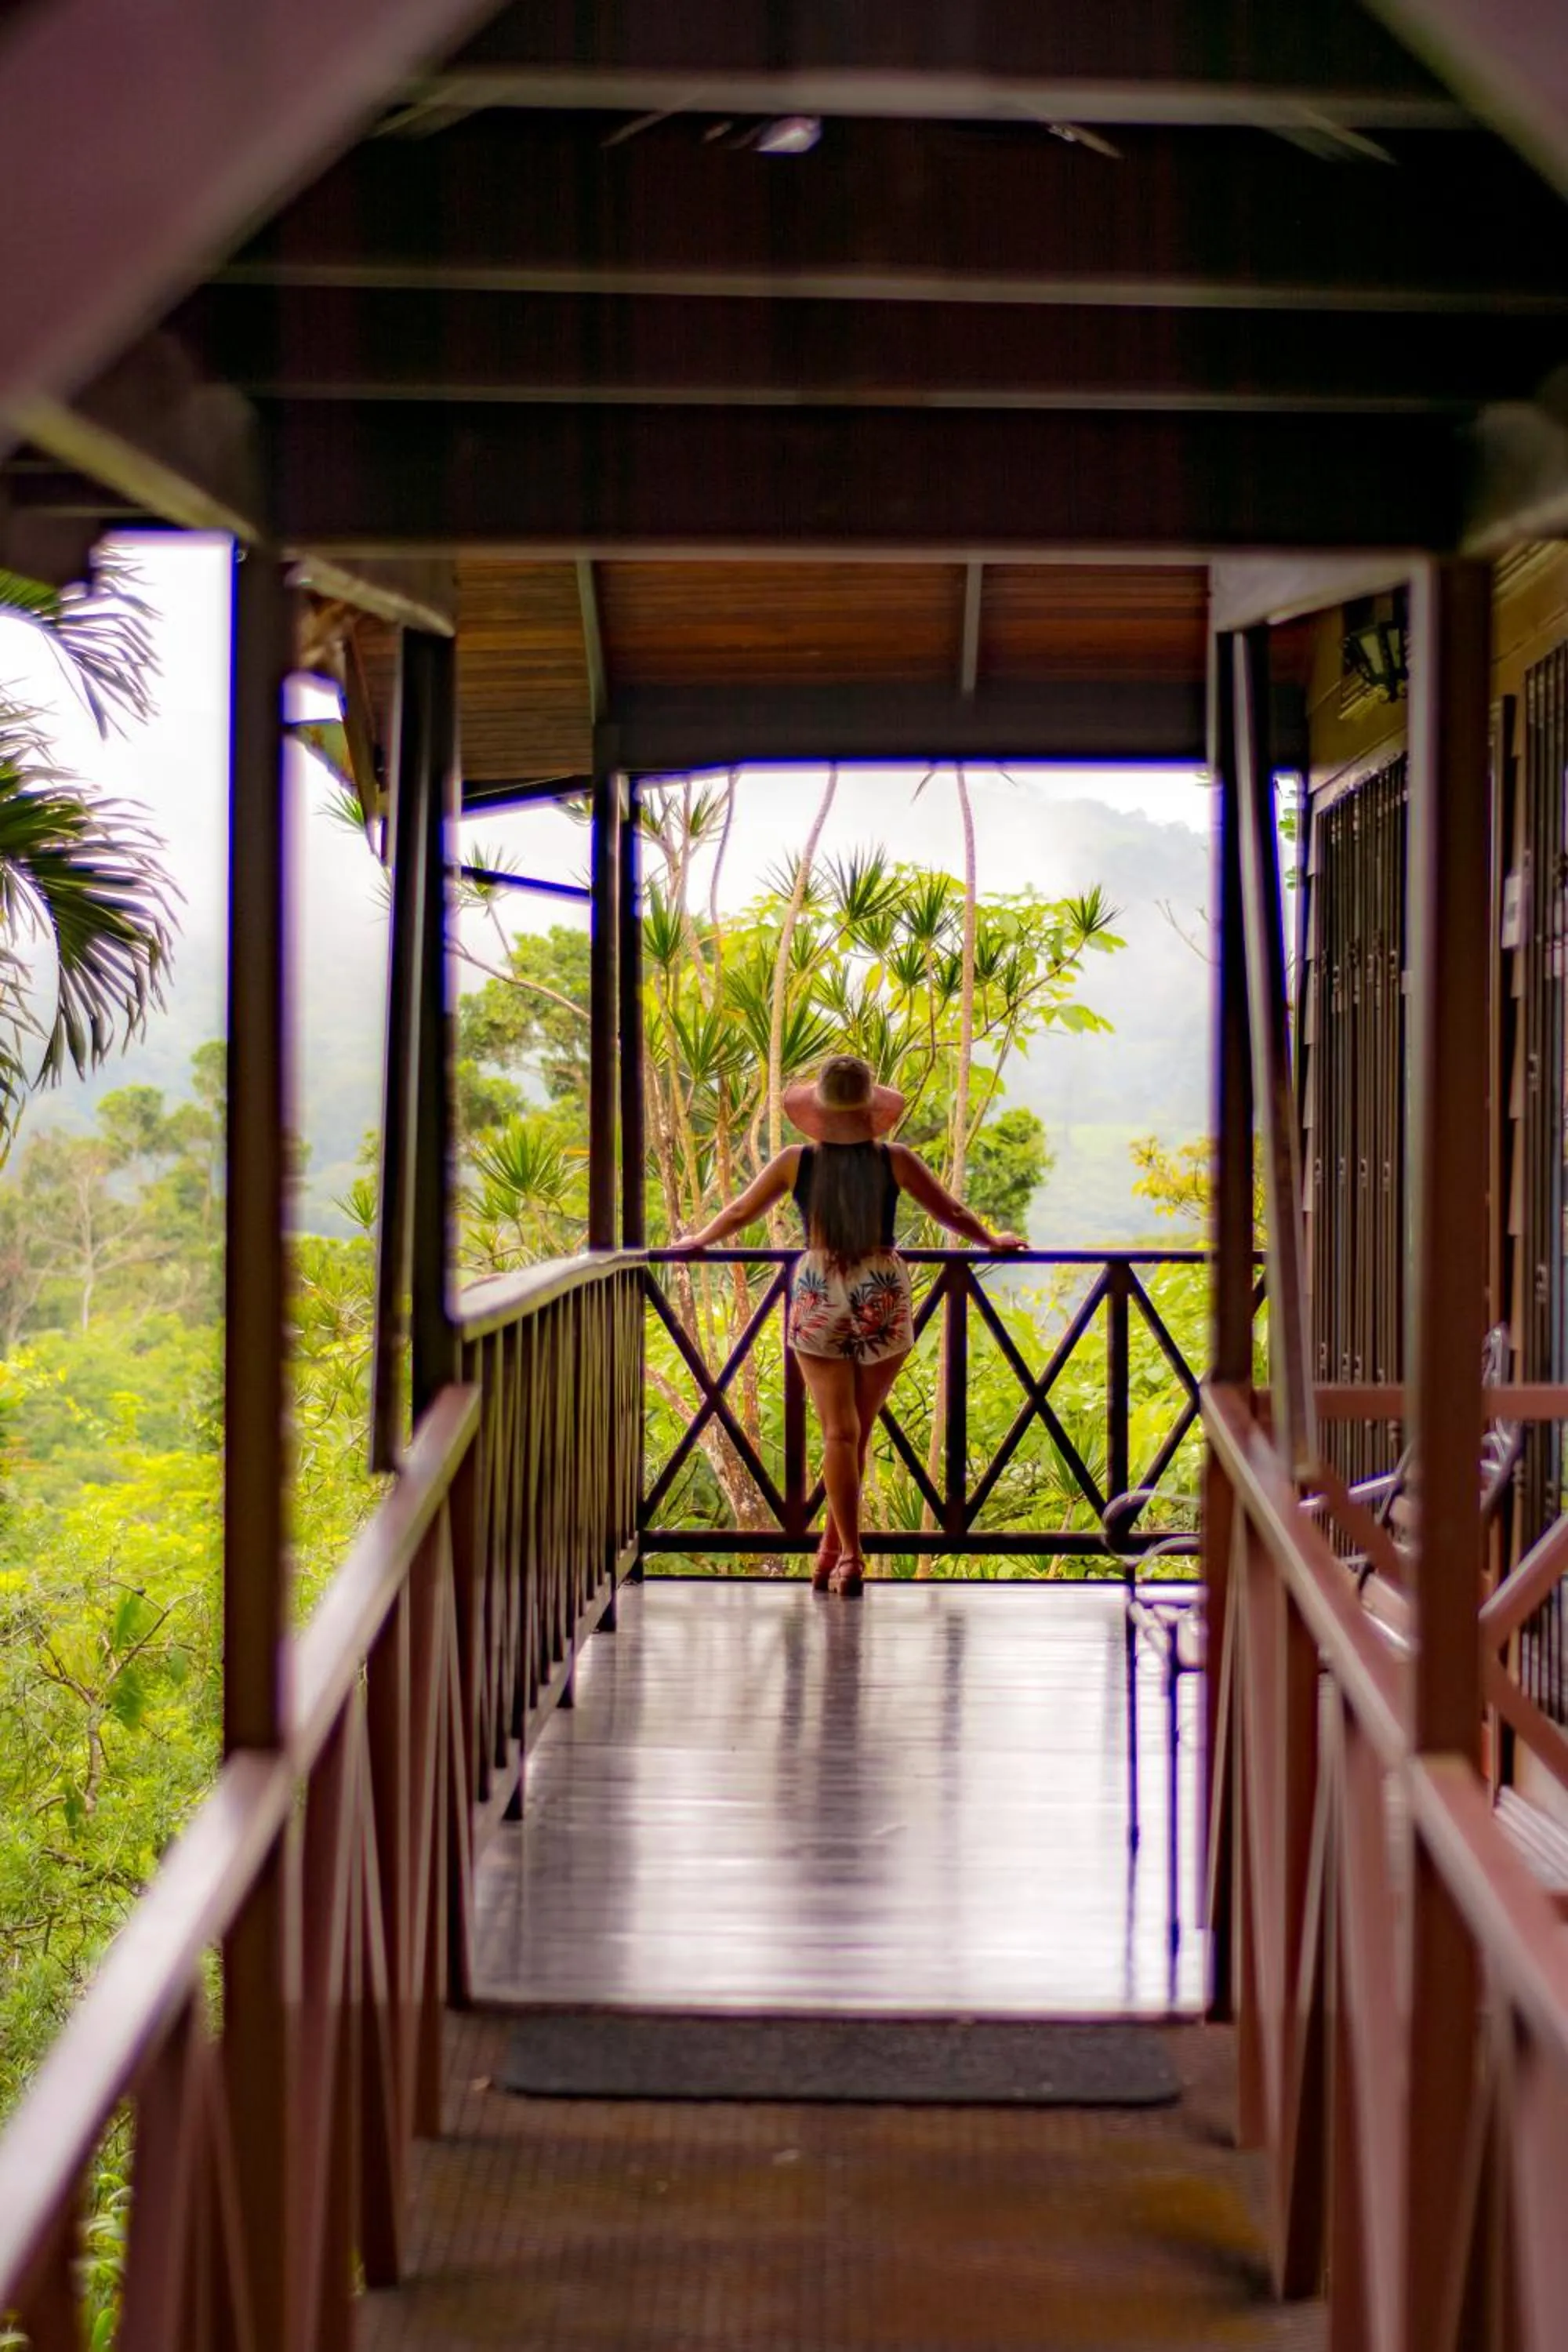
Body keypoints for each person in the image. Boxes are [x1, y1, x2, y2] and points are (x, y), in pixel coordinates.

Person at [670, 1054, 1024, 1596]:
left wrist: (699, 1240)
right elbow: (950, 1211)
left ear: (818, 1108)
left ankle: (841, 1554)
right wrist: (991, 1240)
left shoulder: (796, 1162)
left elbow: (742, 1210)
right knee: (858, 1427)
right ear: (868, 1110)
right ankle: (840, 1558)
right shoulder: (896, 1160)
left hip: (818, 1286)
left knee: (840, 1432)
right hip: (881, 1287)